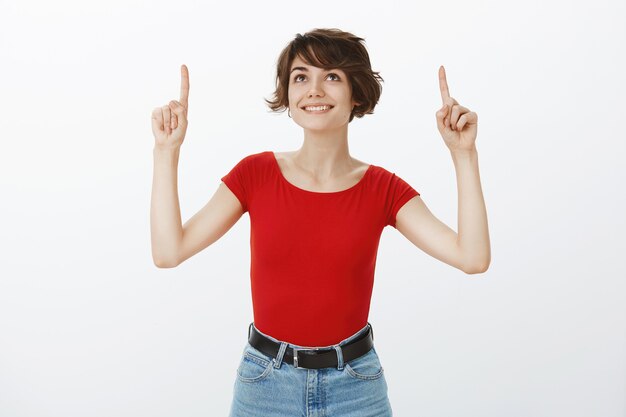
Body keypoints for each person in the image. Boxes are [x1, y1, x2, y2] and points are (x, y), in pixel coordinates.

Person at [150, 28, 490, 417]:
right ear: (289, 97)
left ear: (356, 94)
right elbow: (168, 251)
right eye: (301, 77)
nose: (314, 89)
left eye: (331, 76)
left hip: (357, 388)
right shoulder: (254, 174)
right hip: (265, 386)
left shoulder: (383, 189)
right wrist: (166, 152)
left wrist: (464, 155)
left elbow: (472, 257)